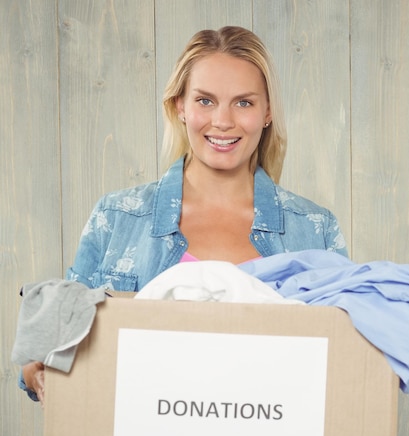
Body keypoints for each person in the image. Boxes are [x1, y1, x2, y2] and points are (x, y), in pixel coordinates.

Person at [20, 26, 348, 404]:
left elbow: (343, 360)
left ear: (268, 111)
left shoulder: (314, 228)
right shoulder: (117, 218)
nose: (223, 121)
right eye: (205, 101)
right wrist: (38, 369)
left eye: (244, 103)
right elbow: (55, 347)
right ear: (180, 106)